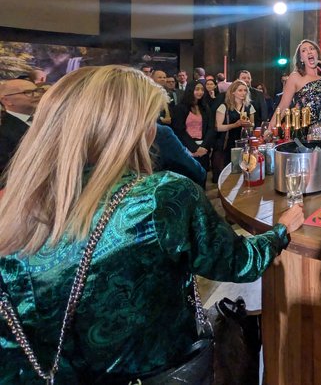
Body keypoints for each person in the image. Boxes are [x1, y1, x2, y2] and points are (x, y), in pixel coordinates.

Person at [0, 65, 304, 383]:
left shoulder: (13, 207)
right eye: (151, 119)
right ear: (127, 126)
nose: (154, 129)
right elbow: (239, 262)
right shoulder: (159, 197)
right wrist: (280, 230)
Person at [0, 79, 44, 181]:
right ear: (6, 100)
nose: (37, 95)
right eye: (28, 92)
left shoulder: (48, 119)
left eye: (38, 90)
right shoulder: (4, 132)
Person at [171, 81, 217, 176]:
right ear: (190, 90)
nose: (200, 92)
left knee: (202, 175)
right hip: (187, 147)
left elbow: (211, 128)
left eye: (202, 90)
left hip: (204, 148)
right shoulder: (180, 108)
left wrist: (204, 147)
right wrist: (194, 148)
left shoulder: (205, 108)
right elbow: (179, 130)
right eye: (197, 89)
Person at [212, 80, 255, 179]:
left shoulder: (249, 106)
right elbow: (218, 127)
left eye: (245, 90)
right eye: (240, 90)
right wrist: (235, 125)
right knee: (227, 173)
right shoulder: (224, 107)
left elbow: (252, 124)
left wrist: (249, 125)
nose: (243, 93)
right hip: (227, 144)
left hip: (244, 143)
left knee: (242, 171)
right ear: (233, 92)